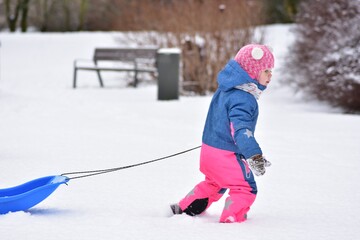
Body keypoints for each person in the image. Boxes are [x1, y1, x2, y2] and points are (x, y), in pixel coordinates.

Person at [171, 44, 275, 223]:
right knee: (245, 188)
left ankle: (184, 207)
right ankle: (231, 221)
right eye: (266, 70)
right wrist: (254, 155)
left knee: (214, 183)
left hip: (209, 151)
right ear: (253, 71)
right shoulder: (244, 98)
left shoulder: (225, 90)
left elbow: (223, 122)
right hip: (227, 155)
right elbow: (241, 131)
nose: (270, 75)